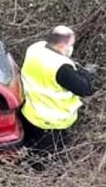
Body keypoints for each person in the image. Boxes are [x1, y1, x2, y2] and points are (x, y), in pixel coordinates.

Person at [18, 25, 96, 158]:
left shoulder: (35, 48)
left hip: (29, 112)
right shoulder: (61, 67)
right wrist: (86, 73)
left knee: (30, 150)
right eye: (70, 45)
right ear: (61, 46)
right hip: (51, 122)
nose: (71, 48)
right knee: (46, 158)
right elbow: (84, 89)